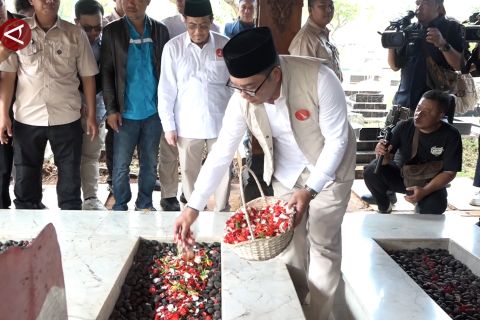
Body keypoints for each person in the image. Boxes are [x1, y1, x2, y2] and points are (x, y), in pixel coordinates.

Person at [174, 27, 356, 320]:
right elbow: (222, 152)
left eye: (250, 87)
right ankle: (295, 308)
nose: (244, 95)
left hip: (330, 171)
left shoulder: (321, 79)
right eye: (236, 87)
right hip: (286, 173)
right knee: (290, 247)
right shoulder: (242, 98)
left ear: (275, 75)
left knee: (323, 245)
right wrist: (193, 207)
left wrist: (310, 190)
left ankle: (320, 314)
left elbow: (337, 141)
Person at [0, 0, 98, 210]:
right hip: (27, 117)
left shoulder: (75, 34)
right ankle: (29, 237)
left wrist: (90, 115)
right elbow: (8, 76)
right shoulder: (17, 31)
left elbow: (88, 76)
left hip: (67, 117)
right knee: (25, 184)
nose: (49, 1)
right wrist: (3, 114)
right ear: (31, 1)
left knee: (70, 184)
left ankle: (71, 235)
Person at [158, 0, 232, 212]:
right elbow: (166, 90)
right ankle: (193, 215)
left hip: (221, 124)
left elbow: (235, 86)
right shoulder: (173, 48)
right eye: (192, 25)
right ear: (185, 21)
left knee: (222, 172)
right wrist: (168, 126)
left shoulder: (224, 45)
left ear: (211, 22)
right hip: (187, 125)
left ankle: (221, 215)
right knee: (190, 174)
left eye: (203, 25)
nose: (198, 31)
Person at [102, 0, 169, 211]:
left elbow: (167, 73)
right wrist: (111, 109)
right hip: (125, 114)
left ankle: (145, 203)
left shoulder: (160, 30)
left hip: (153, 113)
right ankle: (120, 205)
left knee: (149, 164)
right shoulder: (112, 32)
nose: (131, 3)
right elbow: (107, 73)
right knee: (121, 166)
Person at [363, 90, 462, 215]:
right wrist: (383, 154)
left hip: (429, 183)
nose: (418, 114)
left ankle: (421, 203)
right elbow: (385, 160)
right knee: (371, 171)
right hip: (403, 177)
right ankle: (384, 206)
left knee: (433, 209)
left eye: (427, 112)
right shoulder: (404, 126)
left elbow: (449, 172)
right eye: (418, 108)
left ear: (440, 115)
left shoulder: (451, 135)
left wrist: (425, 191)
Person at [388, 0, 464, 113]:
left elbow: (460, 66)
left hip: (435, 110)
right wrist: (391, 43)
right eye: (418, 3)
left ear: (438, 7)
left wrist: (443, 44)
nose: (419, 7)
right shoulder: (409, 29)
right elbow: (394, 66)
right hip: (402, 105)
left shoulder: (452, 28)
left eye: (425, 3)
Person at [75, 0, 107, 210]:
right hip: (68, 110)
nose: (94, 33)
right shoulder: (68, 41)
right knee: (68, 158)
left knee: (91, 155)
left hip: (98, 109)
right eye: (87, 28)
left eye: (98, 28)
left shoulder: (105, 45)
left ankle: (91, 198)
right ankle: (69, 200)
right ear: (76, 22)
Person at [288, 0, 342, 82]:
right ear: (310, 9)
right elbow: (302, 83)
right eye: (322, 6)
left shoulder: (324, 34)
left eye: (331, 5)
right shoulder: (305, 40)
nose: (329, 10)